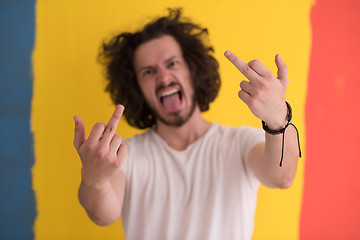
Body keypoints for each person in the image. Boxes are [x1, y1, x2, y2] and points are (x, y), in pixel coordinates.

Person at [73, 8, 301, 240]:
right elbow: (102, 215)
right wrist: (95, 179)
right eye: (149, 71)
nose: (163, 77)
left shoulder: (240, 142)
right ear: (137, 87)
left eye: (172, 63)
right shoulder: (126, 155)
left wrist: (277, 118)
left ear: (192, 70)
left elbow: (281, 178)